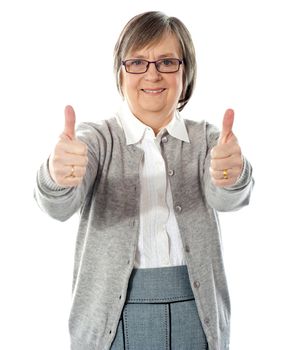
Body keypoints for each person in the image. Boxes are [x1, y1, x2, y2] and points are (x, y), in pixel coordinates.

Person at [34, 11, 254, 350]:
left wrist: (233, 174)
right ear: (121, 74)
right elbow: (58, 205)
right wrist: (57, 174)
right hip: (115, 321)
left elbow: (227, 196)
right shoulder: (95, 140)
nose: (152, 74)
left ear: (186, 73)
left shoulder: (208, 140)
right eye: (137, 62)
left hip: (196, 315)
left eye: (167, 61)